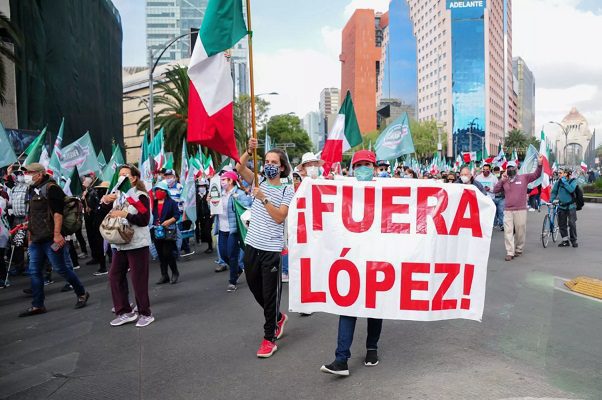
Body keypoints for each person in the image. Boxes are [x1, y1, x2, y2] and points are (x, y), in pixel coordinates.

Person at [320, 150, 384, 376]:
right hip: (351, 258)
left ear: (375, 168)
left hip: (377, 257)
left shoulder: (386, 190)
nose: (363, 168)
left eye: (368, 164)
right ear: (352, 169)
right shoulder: (342, 190)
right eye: (359, 165)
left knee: (374, 306)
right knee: (347, 306)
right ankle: (341, 360)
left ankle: (372, 348)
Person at [237, 138, 294, 358]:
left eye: (274, 161)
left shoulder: (287, 189)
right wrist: (248, 150)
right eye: (266, 160)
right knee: (254, 288)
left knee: (270, 296)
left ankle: (269, 338)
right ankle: (278, 318)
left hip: (271, 249)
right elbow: (239, 168)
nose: (269, 164)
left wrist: (263, 199)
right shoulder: (257, 180)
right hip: (252, 245)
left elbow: (280, 217)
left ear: (281, 166)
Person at [18, 163, 89, 317]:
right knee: (34, 271)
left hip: (51, 238)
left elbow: (58, 214)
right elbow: (32, 214)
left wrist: (57, 234)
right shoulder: (31, 189)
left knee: (61, 269)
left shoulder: (52, 188)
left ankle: (82, 293)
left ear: (40, 174)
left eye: (30, 172)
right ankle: (38, 305)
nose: (26, 175)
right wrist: (30, 233)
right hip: (36, 239)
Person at [101, 165, 154, 328]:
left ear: (134, 178)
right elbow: (105, 214)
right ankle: (124, 311)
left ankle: (145, 313)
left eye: (125, 175)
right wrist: (104, 201)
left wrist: (126, 215)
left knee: (138, 280)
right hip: (120, 244)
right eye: (120, 175)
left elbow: (144, 219)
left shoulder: (139, 195)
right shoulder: (118, 196)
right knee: (115, 276)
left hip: (137, 243)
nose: (121, 177)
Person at [493, 157, 543, 261]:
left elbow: (536, 175)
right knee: (508, 231)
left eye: (512, 168)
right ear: (506, 169)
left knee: (520, 231)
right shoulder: (504, 180)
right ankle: (510, 252)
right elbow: (495, 190)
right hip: (508, 210)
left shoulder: (524, 178)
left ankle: (519, 249)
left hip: (520, 210)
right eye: (508, 168)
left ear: (516, 169)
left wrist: (539, 164)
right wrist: (502, 180)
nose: (510, 169)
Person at [213, 171, 252, 292]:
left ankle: (232, 281)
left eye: (224, 179)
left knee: (232, 254)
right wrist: (211, 202)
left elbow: (246, 210)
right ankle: (238, 270)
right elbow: (215, 208)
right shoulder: (218, 194)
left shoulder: (239, 194)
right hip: (222, 228)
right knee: (223, 255)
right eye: (221, 180)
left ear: (231, 180)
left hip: (233, 229)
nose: (222, 182)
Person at [152, 181, 181, 284]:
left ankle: (175, 272)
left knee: (167, 253)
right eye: (156, 190)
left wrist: (169, 221)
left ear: (165, 191)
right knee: (160, 254)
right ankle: (164, 275)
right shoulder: (154, 203)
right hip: (156, 231)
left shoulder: (171, 203)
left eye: (160, 190)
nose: (158, 192)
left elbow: (177, 215)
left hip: (168, 231)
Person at [6, 164, 29, 276]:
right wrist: (9, 172)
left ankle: (32, 266)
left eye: (23, 174)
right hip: (17, 219)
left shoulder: (29, 187)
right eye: (19, 174)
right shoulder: (15, 187)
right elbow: (9, 182)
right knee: (17, 244)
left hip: (27, 219)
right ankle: (19, 267)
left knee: (30, 243)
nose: (21, 175)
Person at [550, 168, 578, 248]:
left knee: (572, 223)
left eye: (561, 173)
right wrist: (552, 200)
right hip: (561, 206)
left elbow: (571, 189)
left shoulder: (573, 181)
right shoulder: (558, 182)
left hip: (571, 206)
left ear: (567, 174)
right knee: (562, 224)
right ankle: (565, 240)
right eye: (558, 173)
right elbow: (554, 192)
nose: (559, 175)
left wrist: (565, 182)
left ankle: (574, 240)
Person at [195, 178, 213, 253]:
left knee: (207, 231)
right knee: (202, 230)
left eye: (203, 186)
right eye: (200, 186)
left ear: (206, 186)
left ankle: (210, 247)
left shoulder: (209, 194)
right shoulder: (196, 195)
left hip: (208, 216)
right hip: (200, 216)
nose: (201, 188)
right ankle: (204, 242)